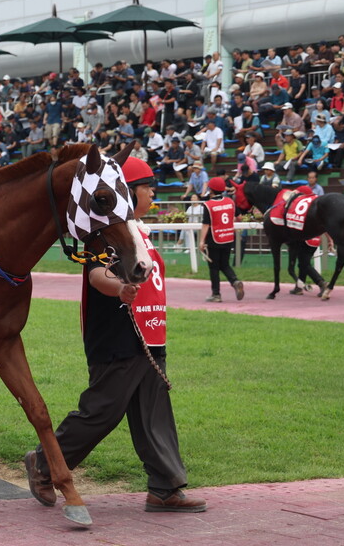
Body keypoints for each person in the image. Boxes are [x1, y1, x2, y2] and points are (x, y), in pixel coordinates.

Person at [23, 156, 206, 515]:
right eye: (147, 186)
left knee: (154, 413)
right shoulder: (105, 233)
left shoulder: (140, 232)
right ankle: (43, 464)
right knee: (101, 413)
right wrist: (119, 289)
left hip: (150, 338)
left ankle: (165, 488)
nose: (152, 192)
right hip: (116, 338)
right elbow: (96, 276)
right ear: (126, 191)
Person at [198, 177, 244, 302]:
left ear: (211, 190)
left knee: (214, 267)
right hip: (228, 238)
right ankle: (235, 281)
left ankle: (216, 294)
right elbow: (238, 217)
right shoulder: (230, 202)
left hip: (214, 239)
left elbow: (206, 225)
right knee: (224, 264)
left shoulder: (208, 205)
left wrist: (201, 241)